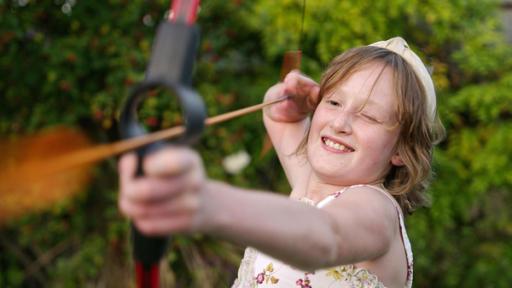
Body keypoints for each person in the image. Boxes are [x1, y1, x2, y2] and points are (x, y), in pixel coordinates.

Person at [118, 37, 445, 288]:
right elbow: (281, 119)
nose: (340, 123)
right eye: (333, 101)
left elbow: (325, 237)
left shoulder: (376, 210)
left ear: (401, 150)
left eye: (370, 116)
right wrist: (281, 102)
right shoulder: (311, 189)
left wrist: (204, 201)